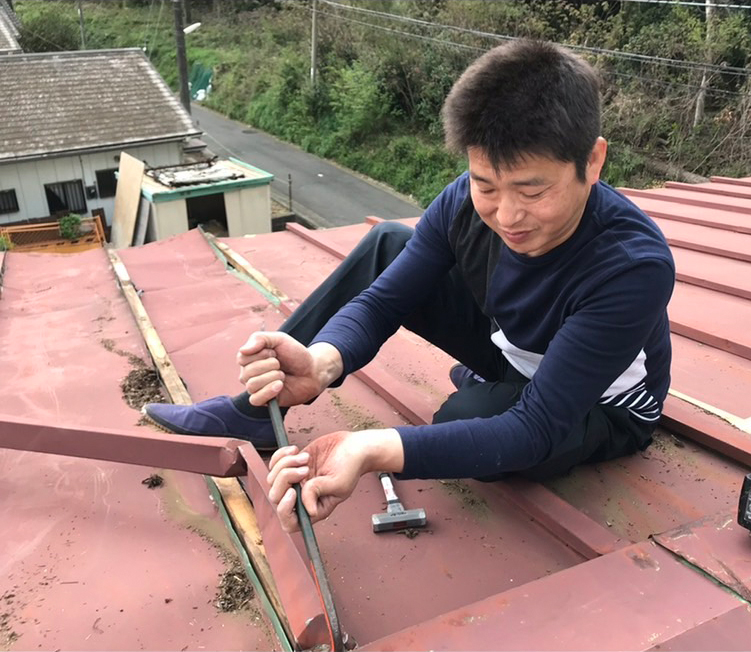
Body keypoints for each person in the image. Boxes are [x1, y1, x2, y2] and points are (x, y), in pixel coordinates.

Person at [144, 39, 675, 533]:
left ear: (594, 161)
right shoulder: (465, 205)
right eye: (486, 184)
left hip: (599, 406)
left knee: (471, 419)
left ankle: (483, 391)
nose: (507, 215)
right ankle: (263, 405)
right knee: (390, 245)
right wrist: (324, 361)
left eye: (532, 191)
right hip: (512, 351)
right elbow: (382, 300)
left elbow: (536, 427)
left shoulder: (631, 265)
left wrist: (372, 448)